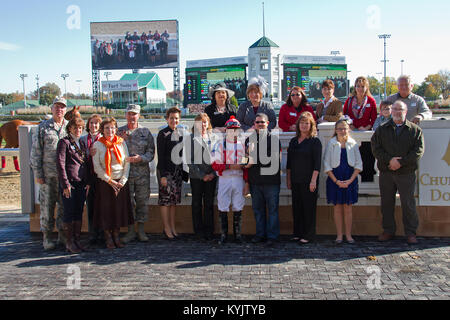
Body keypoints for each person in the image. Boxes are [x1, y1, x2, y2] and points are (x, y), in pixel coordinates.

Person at [371, 101, 424, 245]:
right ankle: (388, 230)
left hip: (406, 173)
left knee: (408, 203)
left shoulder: (414, 130)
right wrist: (390, 161)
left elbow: (418, 151)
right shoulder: (382, 129)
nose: (396, 111)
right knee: (386, 203)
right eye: (394, 109)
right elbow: (376, 148)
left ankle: (411, 232)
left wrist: (401, 162)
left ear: (405, 111)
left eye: (399, 109)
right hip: (387, 172)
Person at [30, 97, 69, 250]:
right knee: (47, 207)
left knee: (63, 207)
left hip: (65, 177)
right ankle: (47, 237)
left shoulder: (69, 127)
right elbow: (36, 153)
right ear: (52, 109)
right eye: (57, 107)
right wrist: (38, 173)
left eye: (62, 107)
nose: (59, 110)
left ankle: (62, 235)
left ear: (65, 110)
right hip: (48, 175)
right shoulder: (43, 128)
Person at [92, 117, 134, 249]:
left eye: (112, 127)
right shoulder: (98, 144)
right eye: (106, 128)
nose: (110, 130)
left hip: (120, 182)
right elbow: (97, 167)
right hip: (105, 182)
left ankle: (116, 235)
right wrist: (109, 181)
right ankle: (108, 237)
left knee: (118, 211)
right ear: (102, 130)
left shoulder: (121, 143)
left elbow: (126, 162)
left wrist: (122, 180)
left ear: (116, 129)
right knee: (106, 211)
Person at [118, 104, 155, 243]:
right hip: (125, 174)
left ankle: (141, 230)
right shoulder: (119, 132)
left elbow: (151, 152)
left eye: (134, 114)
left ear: (139, 115)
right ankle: (130, 231)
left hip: (142, 174)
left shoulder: (145, 132)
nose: (132, 117)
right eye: (129, 114)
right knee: (128, 203)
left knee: (142, 202)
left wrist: (141, 158)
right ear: (125, 115)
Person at [323, 119, 363, 244]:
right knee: (337, 207)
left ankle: (348, 235)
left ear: (348, 129)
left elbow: (358, 163)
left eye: (344, 128)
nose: (342, 131)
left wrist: (350, 180)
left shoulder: (353, 143)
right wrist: (336, 181)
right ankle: (339, 235)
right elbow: (327, 164)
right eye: (339, 128)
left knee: (348, 208)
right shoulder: (331, 143)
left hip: (350, 178)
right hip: (335, 178)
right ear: (336, 130)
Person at [211, 116, 248, 244]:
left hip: (238, 178)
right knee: (223, 205)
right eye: (231, 129)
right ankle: (224, 235)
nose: (233, 132)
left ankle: (237, 235)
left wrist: (243, 165)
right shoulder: (220, 145)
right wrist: (229, 166)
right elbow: (215, 164)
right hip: (225, 178)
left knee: (238, 205)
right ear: (226, 130)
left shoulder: (242, 145)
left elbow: (246, 162)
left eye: (236, 129)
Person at [246, 113, 281, 246]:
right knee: (258, 210)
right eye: (257, 122)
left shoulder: (274, 140)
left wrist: (253, 156)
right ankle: (260, 234)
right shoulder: (249, 140)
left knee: (272, 210)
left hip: (271, 182)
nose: (260, 124)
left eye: (262, 122)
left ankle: (272, 236)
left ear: (267, 124)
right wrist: (247, 161)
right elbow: (245, 160)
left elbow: (273, 161)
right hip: (255, 182)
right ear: (254, 124)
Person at [286, 112, 322, 244]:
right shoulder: (293, 141)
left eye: (307, 123)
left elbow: (317, 163)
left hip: (309, 180)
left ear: (311, 125)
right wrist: (288, 179)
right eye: (302, 123)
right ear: (298, 125)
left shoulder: (315, 142)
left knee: (308, 208)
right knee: (297, 207)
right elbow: (289, 163)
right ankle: (298, 233)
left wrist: (313, 180)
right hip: (295, 179)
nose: (304, 125)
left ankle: (308, 235)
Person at [56, 117, 89, 254]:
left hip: (81, 183)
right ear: (69, 128)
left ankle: (77, 239)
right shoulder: (64, 142)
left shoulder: (81, 142)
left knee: (78, 212)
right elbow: (60, 164)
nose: (78, 130)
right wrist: (65, 184)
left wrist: (87, 182)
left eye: (80, 128)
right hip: (69, 184)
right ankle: (69, 241)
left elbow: (85, 164)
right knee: (69, 213)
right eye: (75, 128)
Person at [187, 113, 218, 241]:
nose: (203, 125)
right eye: (200, 122)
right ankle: (198, 231)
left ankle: (209, 230)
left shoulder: (214, 137)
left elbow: (218, 157)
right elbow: (190, 160)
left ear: (208, 123)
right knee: (196, 203)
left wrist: (212, 173)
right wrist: (202, 175)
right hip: (197, 177)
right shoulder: (190, 138)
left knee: (209, 204)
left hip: (211, 176)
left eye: (205, 122)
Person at [343, 76, 378, 182]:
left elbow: (375, 119)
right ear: (355, 87)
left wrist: (367, 127)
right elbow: (344, 116)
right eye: (358, 86)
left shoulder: (371, 101)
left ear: (366, 87)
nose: (360, 89)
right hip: (352, 135)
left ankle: (367, 182)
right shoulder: (349, 101)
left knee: (366, 160)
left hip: (366, 135)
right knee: (352, 159)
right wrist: (350, 125)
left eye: (363, 86)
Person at [157, 107, 184, 240]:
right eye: (172, 118)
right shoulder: (162, 134)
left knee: (173, 202)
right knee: (165, 201)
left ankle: (173, 227)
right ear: (167, 119)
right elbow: (161, 156)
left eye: (177, 118)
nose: (174, 120)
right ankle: (166, 227)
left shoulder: (180, 133)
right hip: (166, 172)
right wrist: (162, 175)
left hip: (177, 173)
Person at [80, 114, 102, 246]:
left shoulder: (103, 139)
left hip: (102, 177)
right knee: (91, 206)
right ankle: (92, 233)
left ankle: (102, 232)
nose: (93, 126)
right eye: (91, 123)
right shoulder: (83, 140)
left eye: (96, 123)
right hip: (89, 178)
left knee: (102, 206)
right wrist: (88, 153)